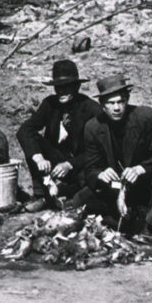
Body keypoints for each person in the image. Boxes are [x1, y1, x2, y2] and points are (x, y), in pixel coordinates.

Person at [79, 74, 152, 243]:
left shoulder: (146, 117)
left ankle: (149, 227)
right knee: (79, 203)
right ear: (102, 105)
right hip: (113, 190)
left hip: (146, 187)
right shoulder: (93, 127)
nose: (117, 108)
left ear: (127, 100)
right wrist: (100, 174)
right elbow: (90, 169)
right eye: (111, 103)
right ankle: (133, 220)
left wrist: (140, 169)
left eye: (120, 102)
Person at [16, 60, 103, 212]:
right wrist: (39, 157)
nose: (61, 91)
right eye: (58, 87)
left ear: (76, 86)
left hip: (82, 163)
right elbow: (25, 130)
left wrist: (70, 164)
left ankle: (66, 193)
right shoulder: (50, 104)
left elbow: (97, 150)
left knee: (86, 185)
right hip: (56, 160)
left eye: (66, 87)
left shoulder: (91, 109)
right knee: (33, 141)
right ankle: (41, 195)